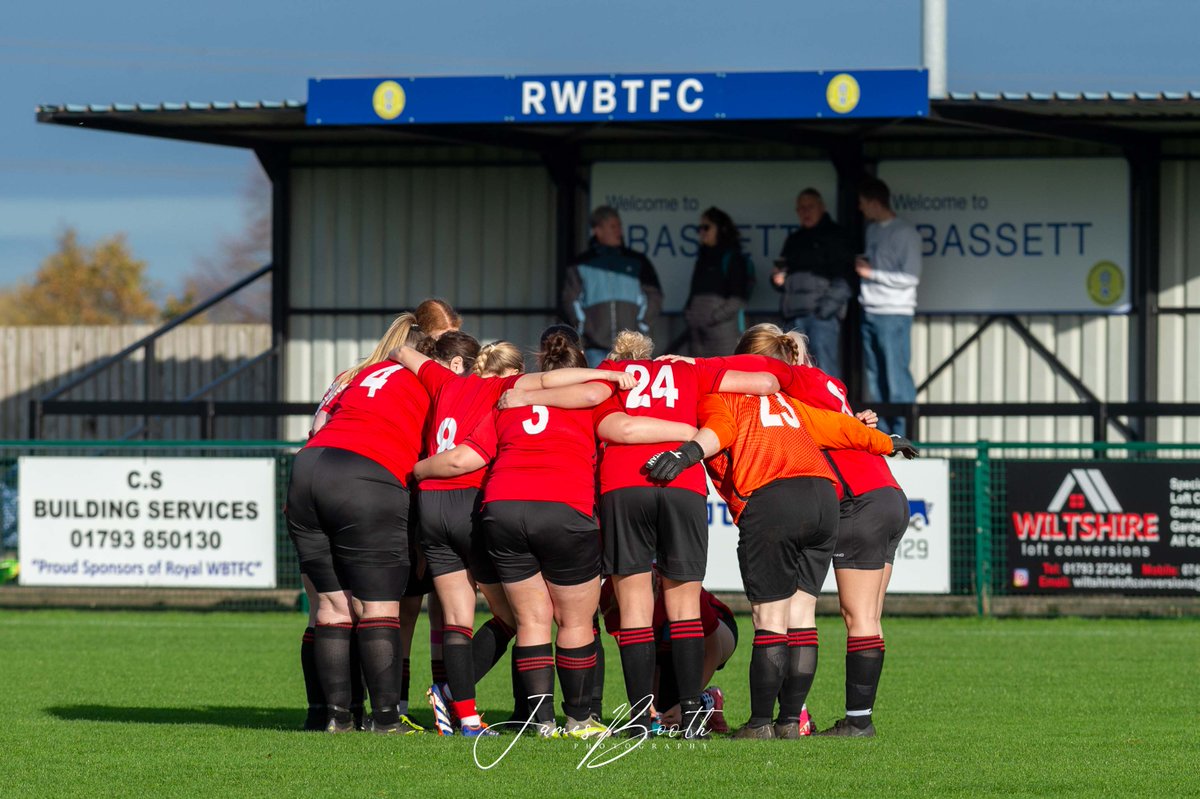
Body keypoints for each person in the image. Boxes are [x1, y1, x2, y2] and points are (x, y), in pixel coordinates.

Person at [502, 329, 775, 737]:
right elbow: (766, 382)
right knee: (683, 607)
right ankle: (687, 713)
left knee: (634, 609)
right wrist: (689, 417)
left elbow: (620, 430)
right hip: (681, 485)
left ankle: (638, 719)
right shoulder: (684, 372)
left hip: (624, 486)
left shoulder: (607, 374)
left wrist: (522, 397)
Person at [644, 328, 913, 740]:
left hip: (774, 498)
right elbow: (838, 429)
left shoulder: (720, 395)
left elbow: (721, 430)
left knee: (769, 617)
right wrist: (885, 442)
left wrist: (687, 453)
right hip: (824, 498)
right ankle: (790, 721)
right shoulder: (789, 402)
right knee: (802, 615)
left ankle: (758, 724)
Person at [394, 333, 633, 736]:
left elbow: (464, 455)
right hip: (552, 506)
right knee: (573, 621)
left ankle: (507, 716)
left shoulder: (483, 398)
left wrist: (417, 470)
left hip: (492, 508)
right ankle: (577, 719)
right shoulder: (515, 392)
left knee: (522, 620)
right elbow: (604, 406)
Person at [285, 312, 429, 734]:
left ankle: (332, 715)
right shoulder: (427, 381)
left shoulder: (355, 376)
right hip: (365, 474)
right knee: (379, 607)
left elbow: (319, 425)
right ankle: (385, 719)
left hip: (308, 468)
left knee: (329, 607)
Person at [597, 576, 737, 734]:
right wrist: (641, 700)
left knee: (683, 709)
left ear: (656, 586)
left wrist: (689, 703)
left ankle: (707, 698)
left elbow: (714, 652)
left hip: (716, 634)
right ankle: (707, 705)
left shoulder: (676, 585)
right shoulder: (610, 594)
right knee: (663, 718)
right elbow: (632, 655)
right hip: (662, 648)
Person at [856, 177, 922, 437]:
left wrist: (873, 274)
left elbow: (910, 278)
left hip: (894, 313)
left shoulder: (905, 233)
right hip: (869, 310)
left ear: (874, 202)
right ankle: (883, 435)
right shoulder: (872, 230)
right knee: (875, 379)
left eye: (862, 204)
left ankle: (904, 435)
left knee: (896, 377)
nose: (861, 209)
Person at [562, 206, 663, 366]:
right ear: (598, 230)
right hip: (594, 347)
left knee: (631, 390)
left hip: (632, 347)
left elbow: (654, 295)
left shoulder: (637, 261)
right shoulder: (581, 263)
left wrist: (641, 323)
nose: (619, 231)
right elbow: (570, 299)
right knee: (597, 389)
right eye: (613, 226)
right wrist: (583, 327)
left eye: (619, 226)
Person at [772, 188, 854, 378]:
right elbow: (783, 274)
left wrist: (823, 311)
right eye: (801, 208)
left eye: (810, 207)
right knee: (796, 372)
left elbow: (846, 279)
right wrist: (777, 280)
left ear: (822, 207)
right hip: (793, 318)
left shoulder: (836, 236)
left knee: (824, 372)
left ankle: (831, 409)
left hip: (820, 318)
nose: (805, 212)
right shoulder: (794, 239)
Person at [684, 207, 754, 358]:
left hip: (723, 334)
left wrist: (713, 317)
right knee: (699, 378)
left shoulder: (733, 258)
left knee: (726, 375)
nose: (701, 232)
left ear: (721, 229)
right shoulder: (702, 258)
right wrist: (690, 315)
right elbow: (693, 293)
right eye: (699, 228)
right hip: (698, 336)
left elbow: (738, 299)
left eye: (706, 227)